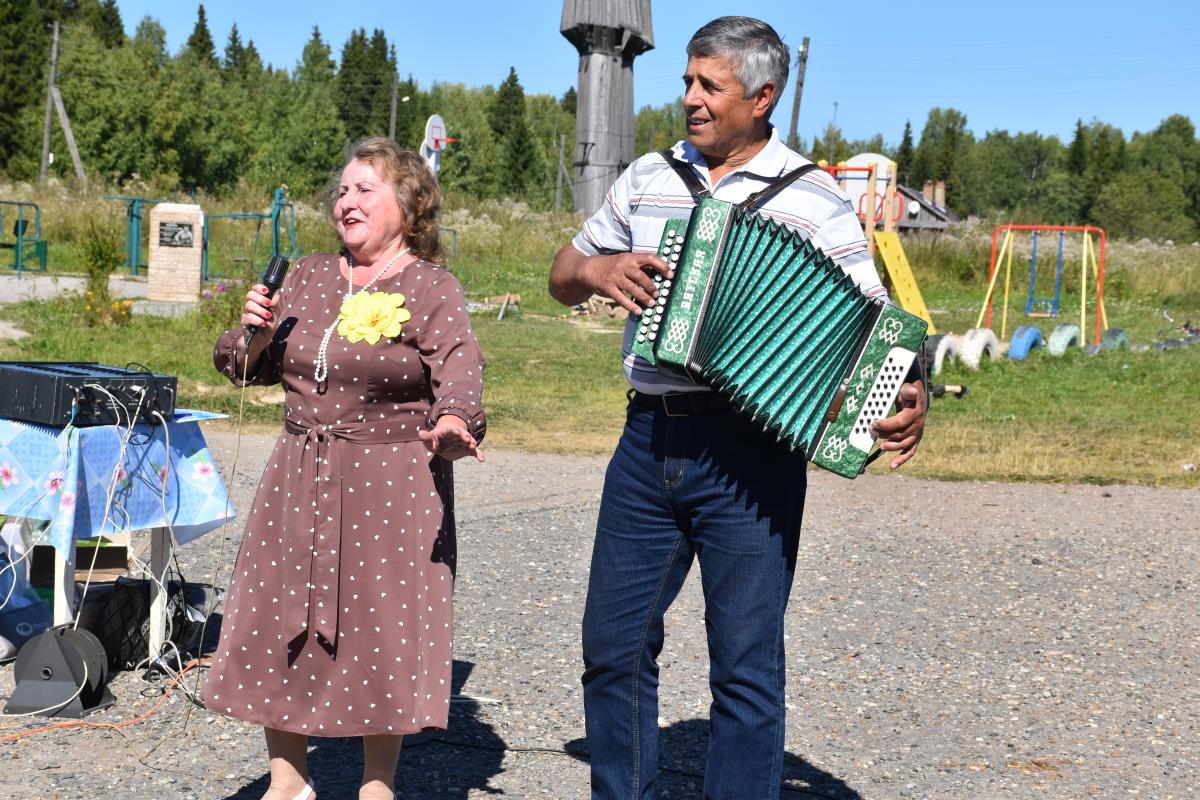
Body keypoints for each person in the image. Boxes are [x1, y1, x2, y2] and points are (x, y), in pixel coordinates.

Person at [549, 16, 927, 800]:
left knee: (747, 667)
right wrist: (599, 269)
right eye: (687, 80)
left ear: (762, 98)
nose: (688, 98)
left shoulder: (814, 199)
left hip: (752, 455)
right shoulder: (648, 177)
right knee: (612, 648)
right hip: (647, 439)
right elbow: (563, 269)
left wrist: (910, 389)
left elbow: (875, 325)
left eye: (708, 86)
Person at [203, 137, 486, 800]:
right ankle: (289, 780)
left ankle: (377, 784)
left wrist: (454, 422)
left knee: (379, 624)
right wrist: (255, 335)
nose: (346, 201)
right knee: (276, 614)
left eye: (365, 189)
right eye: (341, 190)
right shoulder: (302, 276)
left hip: (392, 480)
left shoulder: (429, 287)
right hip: (299, 471)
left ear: (409, 207)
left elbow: (460, 373)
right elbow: (242, 365)